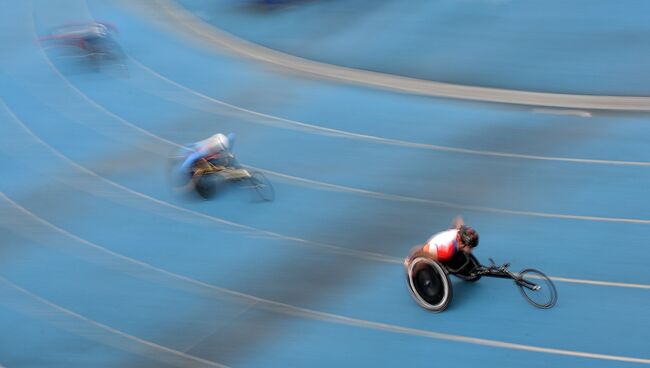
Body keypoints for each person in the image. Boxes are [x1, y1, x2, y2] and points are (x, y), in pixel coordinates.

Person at [404, 216, 479, 274]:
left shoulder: (460, 233)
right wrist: (412, 262)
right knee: (426, 262)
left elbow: (458, 219)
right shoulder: (446, 252)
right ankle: (411, 267)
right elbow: (423, 251)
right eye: (470, 247)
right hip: (434, 247)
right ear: (462, 244)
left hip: (446, 240)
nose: (472, 250)